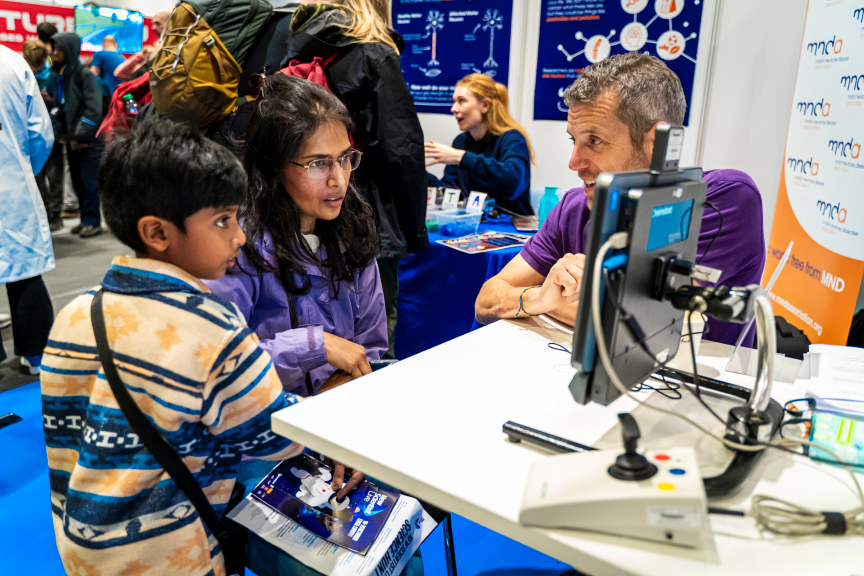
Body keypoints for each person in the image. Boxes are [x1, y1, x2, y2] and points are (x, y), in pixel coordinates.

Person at [40, 120, 306, 576]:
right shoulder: (213, 327)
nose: (239, 237)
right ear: (158, 233)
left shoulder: (74, 315)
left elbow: (64, 442)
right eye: (222, 220)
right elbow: (273, 433)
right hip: (177, 554)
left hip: (85, 549)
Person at [475, 53, 766, 347]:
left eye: (595, 141)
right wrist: (538, 296)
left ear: (655, 143)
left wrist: (543, 304)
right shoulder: (573, 208)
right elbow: (487, 299)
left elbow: (636, 321)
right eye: (573, 141)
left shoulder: (722, 200)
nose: (574, 163)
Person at [206, 74, 387, 396]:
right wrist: (309, 346)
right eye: (318, 163)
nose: (339, 180)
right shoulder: (237, 245)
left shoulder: (354, 231)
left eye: (345, 158)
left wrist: (340, 389)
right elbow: (216, 363)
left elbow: (370, 344)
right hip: (264, 430)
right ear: (272, 166)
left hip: (336, 419)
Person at [275, 0, 429, 359]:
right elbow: (401, 149)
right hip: (363, 211)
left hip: (296, 207)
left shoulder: (295, 47)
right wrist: (414, 231)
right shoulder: (375, 53)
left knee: (302, 317)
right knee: (370, 328)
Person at [0, 45, 56, 374]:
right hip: (10, 183)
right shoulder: (11, 63)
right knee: (23, 267)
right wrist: (24, 170)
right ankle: (36, 354)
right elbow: (40, 133)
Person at [426, 73, 535, 215]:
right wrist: (420, 174)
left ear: (485, 105)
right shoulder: (460, 142)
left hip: (511, 227)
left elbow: (513, 182)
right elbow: (452, 193)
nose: (454, 108)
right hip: (474, 226)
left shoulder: (512, 139)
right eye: (454, 101)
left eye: (461, 101)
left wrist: (461, 158)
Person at [51, 32, 105, 238]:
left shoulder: (85, 74)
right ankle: (85, 219)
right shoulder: (65, 75)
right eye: (53, 48)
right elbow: (67, 108)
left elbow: (94, 109)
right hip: (73, 141)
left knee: (89, 182)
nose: (54, 53)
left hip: (87, 142)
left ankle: (93, 221)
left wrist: (82, 137)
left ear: (69, 50)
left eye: (59, 49)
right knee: (78, 182)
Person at [22, 40, 64, 232]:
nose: (33, 67)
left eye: (36, 64)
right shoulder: (21, 77)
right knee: (37, 177)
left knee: (54, 176)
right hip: (28, 135)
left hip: (52, 132)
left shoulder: (53, 78)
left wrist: (51, 100)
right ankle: (45, 212)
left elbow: (62, 104)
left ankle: (56, 214)